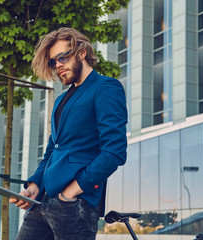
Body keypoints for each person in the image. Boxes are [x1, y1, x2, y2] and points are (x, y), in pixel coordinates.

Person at [10, 27, 128, 240]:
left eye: (62, 57)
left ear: (82, 52)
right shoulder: (61, 100)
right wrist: (34, 185)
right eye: (53, 61)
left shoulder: (106, 87)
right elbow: (52, 150)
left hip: (75, 205)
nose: (58, 65)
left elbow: (114, 152)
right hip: (42, 201)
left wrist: (71, 193)